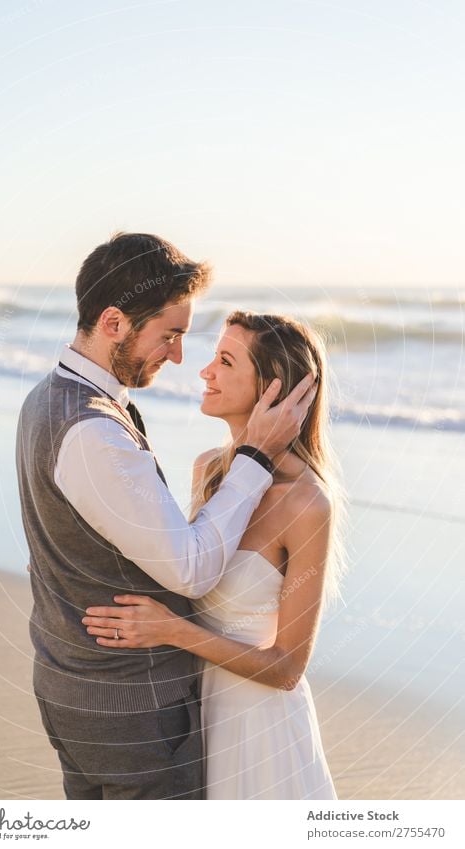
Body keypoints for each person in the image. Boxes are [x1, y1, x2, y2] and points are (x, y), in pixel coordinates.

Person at [15, 233, 317, 800]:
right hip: (134, 716)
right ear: (113, 323)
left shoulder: (47, 399)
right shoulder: (91, 429)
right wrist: (253, 457)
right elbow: (192, 570)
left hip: (83, 695)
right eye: (170, 334)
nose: (181, 357)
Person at [81, 310, 343, 799]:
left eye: (224, 361)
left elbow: (287, 668)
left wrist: (172, 631)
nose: (205, 371)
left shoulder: (307, 504)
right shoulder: (208, 470)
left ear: (272, 388)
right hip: (196, 723)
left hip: (263, 736)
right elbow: (179, 568)